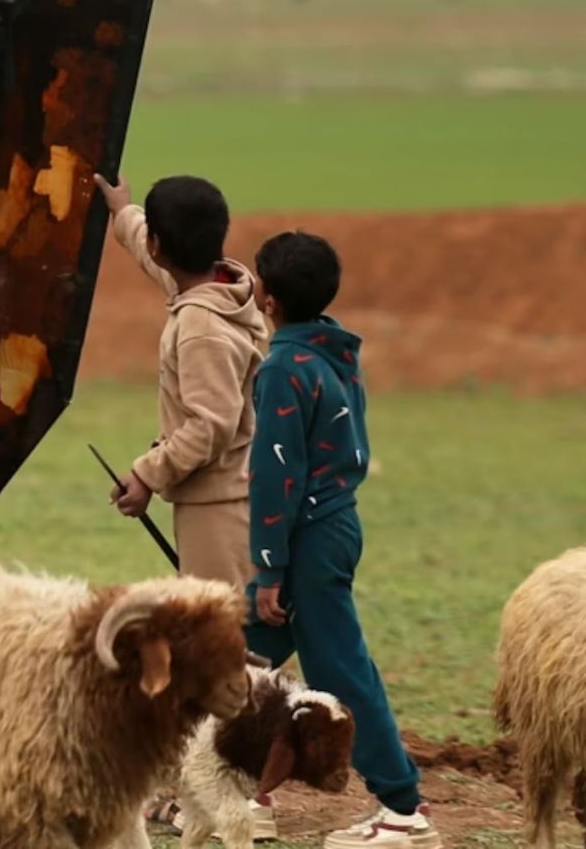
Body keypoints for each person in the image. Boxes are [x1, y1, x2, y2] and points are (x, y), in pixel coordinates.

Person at [244, 231, 439, 849]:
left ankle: (403, 809)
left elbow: (277, 472)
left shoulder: (282, 368)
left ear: (267, 299)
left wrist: (270, 568)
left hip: (307, 537)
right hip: (334, 523)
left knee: (341, 674)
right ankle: (201, 783)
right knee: (242, 656)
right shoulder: (332, 350)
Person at [92, 173, 267, 591]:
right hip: (234, 492)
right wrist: (124, 212)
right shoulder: (221, 288)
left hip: (219, 509)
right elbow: (155, 258)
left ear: (159, 243)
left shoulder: (200, 327)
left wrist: (147, 474)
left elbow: (212, 424)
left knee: (225, 638)